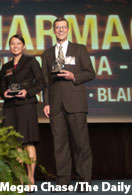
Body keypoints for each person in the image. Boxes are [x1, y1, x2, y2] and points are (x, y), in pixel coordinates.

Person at [42, 17, 96, 187]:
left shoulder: (79, 49)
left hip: (76, 103)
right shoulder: (48, 54)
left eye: (63, 27)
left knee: (81, 144)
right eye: (57, 27)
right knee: (60, 146)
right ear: (54, 30)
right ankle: (63, 182)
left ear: (68, 29)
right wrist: (46, 102)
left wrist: (74, 76)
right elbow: (46, 82)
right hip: (56, 105)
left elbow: (90, 73)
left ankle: (83, 182)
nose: (60, 30)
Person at [0, 34, 45, 185]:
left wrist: (27, 91)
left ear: (23, 46)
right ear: (9, 47)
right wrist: (4, 93)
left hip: (26, 105)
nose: (15, 46)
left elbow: (40, 83)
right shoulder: (5, 67)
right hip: (10, 107)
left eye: (18, 43)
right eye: (12, 44)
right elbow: (1, 87)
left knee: (28, 143)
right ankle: (20, 179)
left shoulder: (31, 61)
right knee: (15, 144)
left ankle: (30, 178)